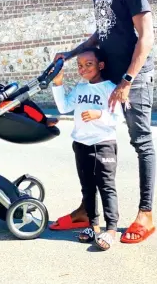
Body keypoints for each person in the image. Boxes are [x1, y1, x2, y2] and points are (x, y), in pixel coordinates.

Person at [51, 0, 156, 244]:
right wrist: (70, 54)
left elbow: (147, 37)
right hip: (108, 75)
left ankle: (146, 213)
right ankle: (87, 209)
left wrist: (126, 80)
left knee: (141, 142)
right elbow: (104, 31)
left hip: (132, 78)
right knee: (91, 139)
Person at [52, 47, 123, 250]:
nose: (83, 69)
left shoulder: (110, 88)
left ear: (100, 65)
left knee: (106, 186)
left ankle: (111, 229)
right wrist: (58, 84)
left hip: (104, 143)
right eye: (80, 65)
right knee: (88, 187)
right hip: (81, 144)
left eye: (88, 64)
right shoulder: (80, 89)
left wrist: (98, 114)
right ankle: (94, 225)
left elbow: (117, 118)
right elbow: (64, 107)